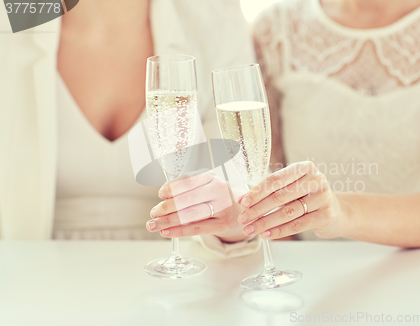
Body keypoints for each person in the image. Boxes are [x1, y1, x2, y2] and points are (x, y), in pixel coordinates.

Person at [146, 0, 420, 249]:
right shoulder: (277, 28)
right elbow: (264, 183)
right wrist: (244, 227)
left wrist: (340, 213)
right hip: (313, 288)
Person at [0, 0, 259, 256]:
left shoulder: (216, 18)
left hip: (183, 270)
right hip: (29, 272)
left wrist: (235, 219)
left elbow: (237, 186)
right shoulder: (9, 22)